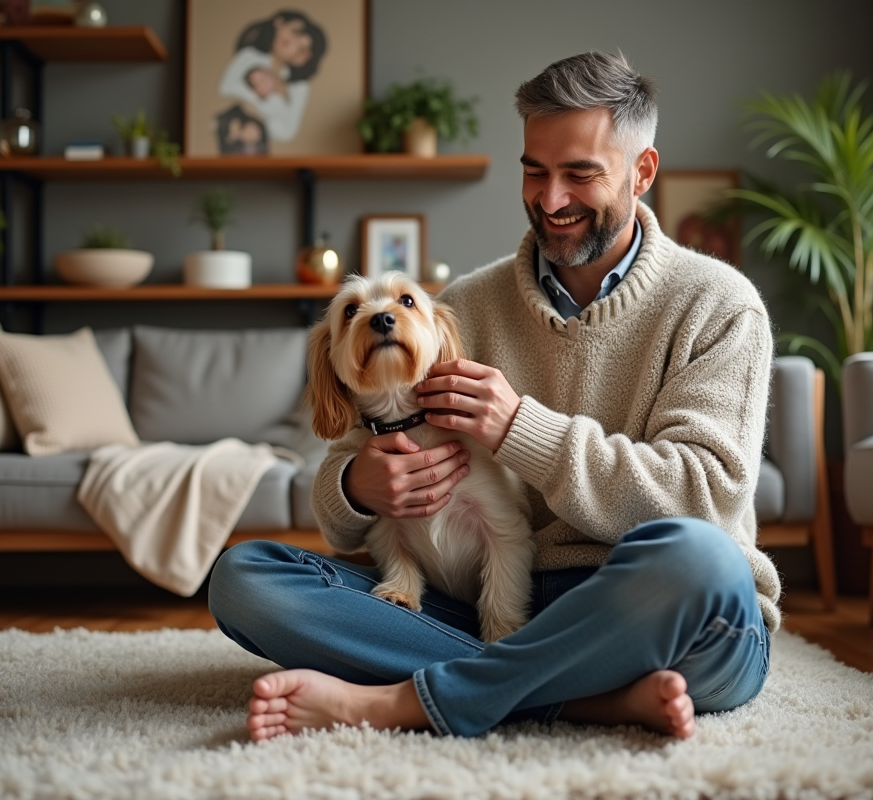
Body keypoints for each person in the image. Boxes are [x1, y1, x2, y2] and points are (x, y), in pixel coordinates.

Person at [208, 51, 780, 741]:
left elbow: (704, 501)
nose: (551, 199)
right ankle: (580, 695)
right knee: (245, 578)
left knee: (701, 562)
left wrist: (521, 428)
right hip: (482, 598)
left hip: (647, 604)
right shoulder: (460, 308)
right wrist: (358, 485)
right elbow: (357, 466)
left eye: (581, 174)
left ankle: (403, 701)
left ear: (643, 172)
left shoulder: (719, 306)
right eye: (535, 171)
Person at [216, 10, 327, 144]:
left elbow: (287, 131)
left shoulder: (299, 85)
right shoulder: (249, 56)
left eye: (301, 49)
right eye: (295, 33)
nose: (293, 43)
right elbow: (226, 88)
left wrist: (260, 110)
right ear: (279, 23)